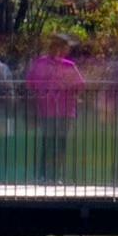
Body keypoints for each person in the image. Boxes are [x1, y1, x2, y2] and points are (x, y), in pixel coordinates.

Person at [25, 39, 84, 181]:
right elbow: (30, 82)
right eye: (56, 47)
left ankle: (56, 176)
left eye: (62, 48)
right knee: (48, 142)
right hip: (47, 109)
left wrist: (67, 88)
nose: (59, 51)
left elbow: (80, 84)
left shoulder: (68, 65)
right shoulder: (41, 63)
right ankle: (43, 175)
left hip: (65, 110)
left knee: (60, 143)